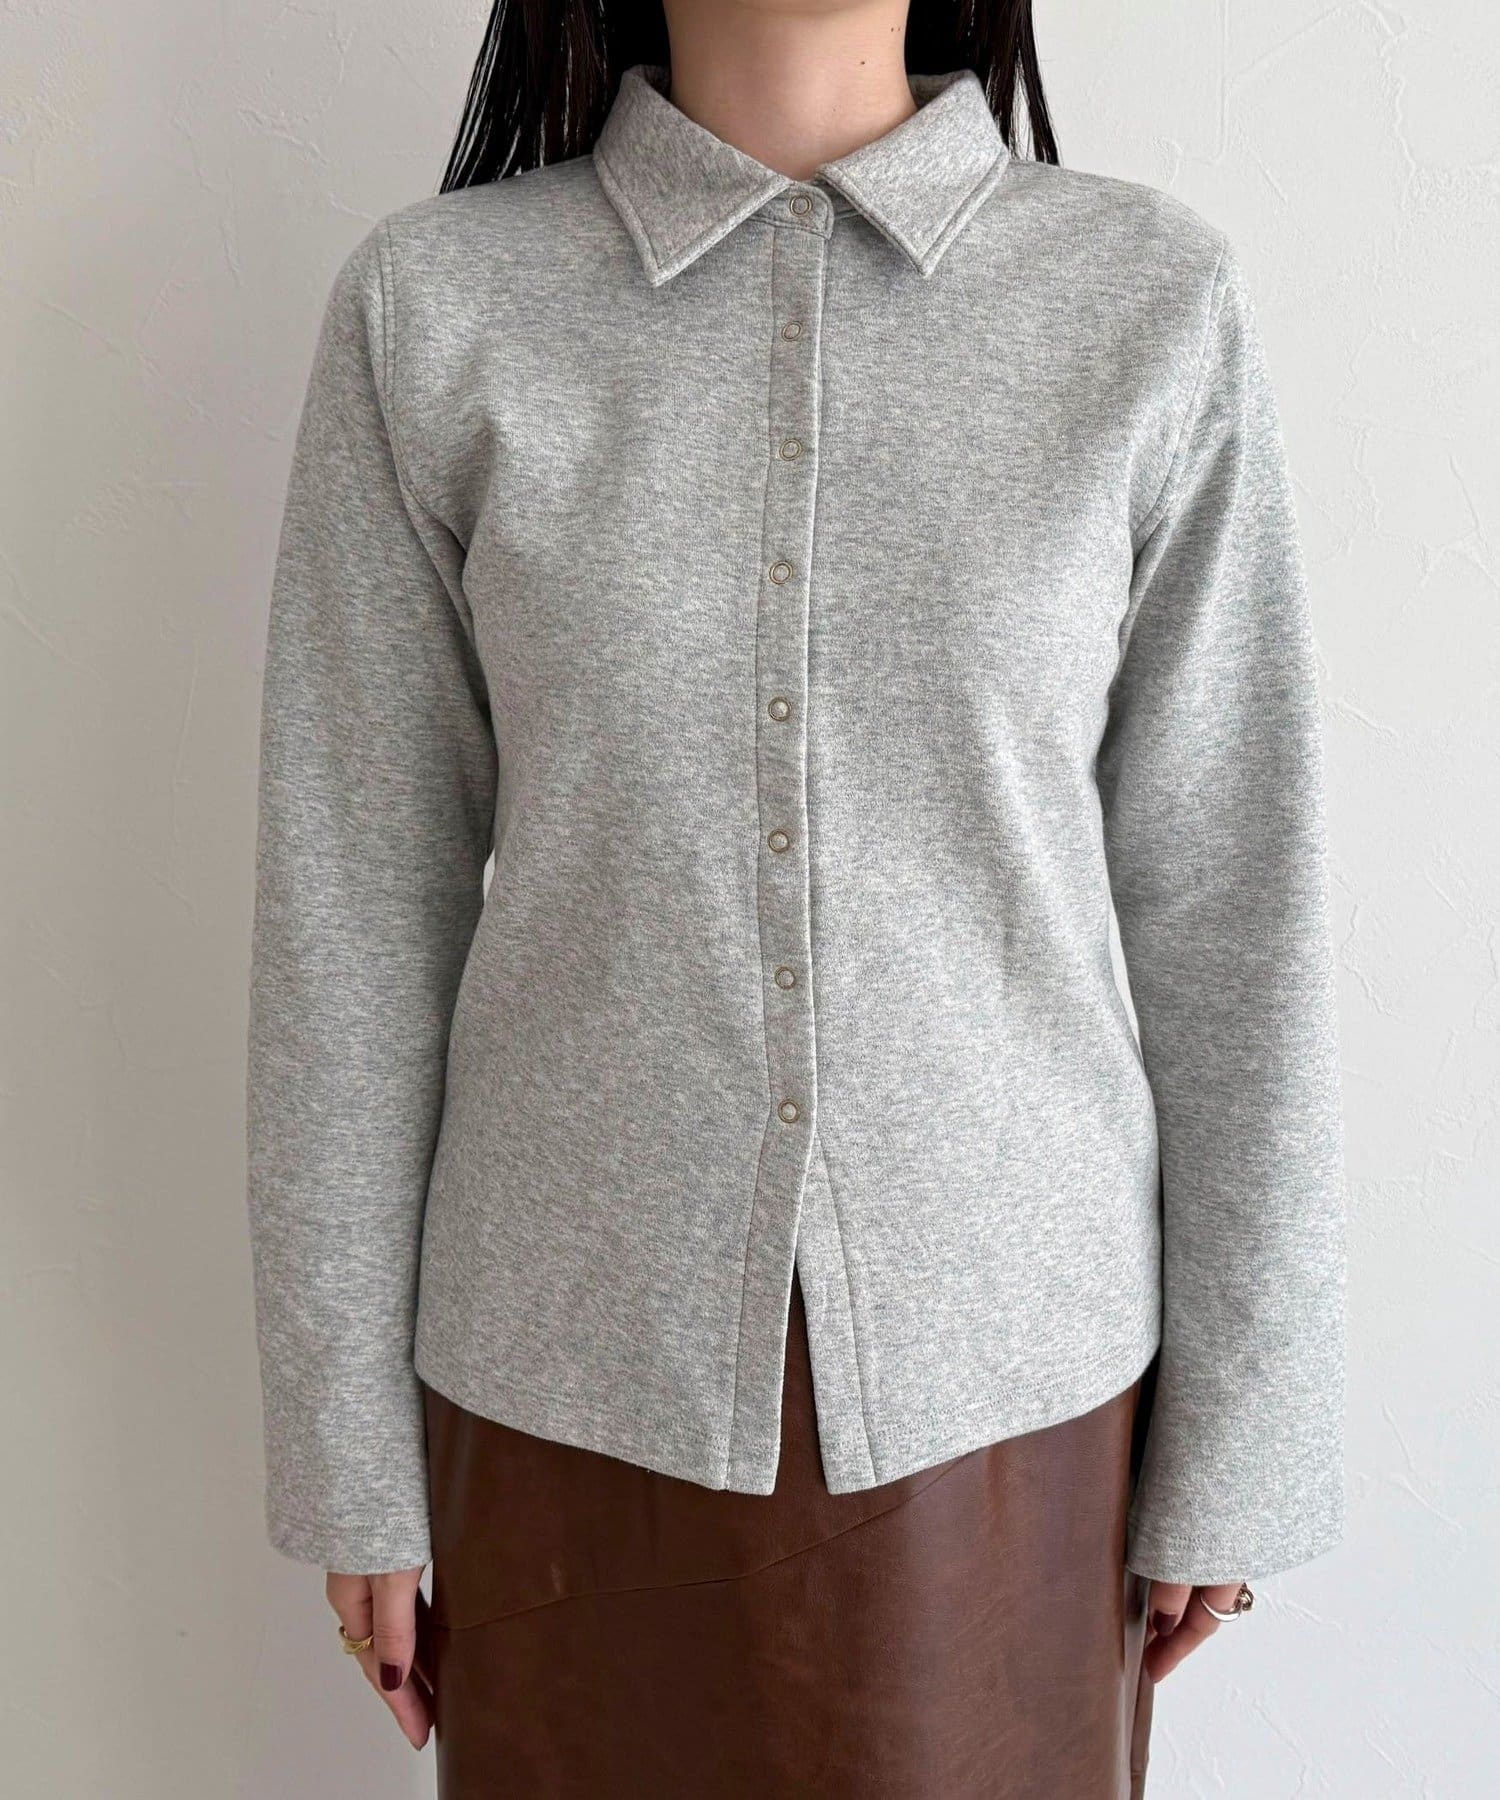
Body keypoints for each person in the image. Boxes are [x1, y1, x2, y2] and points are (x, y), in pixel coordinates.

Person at [244, 2, 1347, 1794]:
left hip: (1018, 1404)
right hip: (561, 1397)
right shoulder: (439, 309)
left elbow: (1236, 903)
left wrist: (1245, 1436)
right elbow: (351, 919)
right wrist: (346, 1453)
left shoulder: (1144, 299)